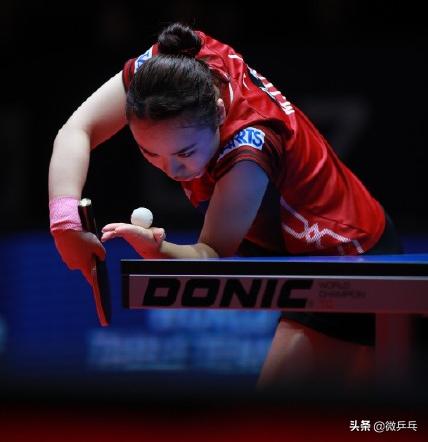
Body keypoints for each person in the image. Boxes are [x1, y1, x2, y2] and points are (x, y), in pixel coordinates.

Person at [48, 23, 402, 388]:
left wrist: (157, 249)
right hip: (301, 254)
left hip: (347, 258)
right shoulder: (171, 68)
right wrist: (64, 224)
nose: (171, 169)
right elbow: (77, 129)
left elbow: (211, 254)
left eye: (185, 153)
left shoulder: (249, 151)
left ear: (219, 113)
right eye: (150, 153)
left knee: (282, 414)